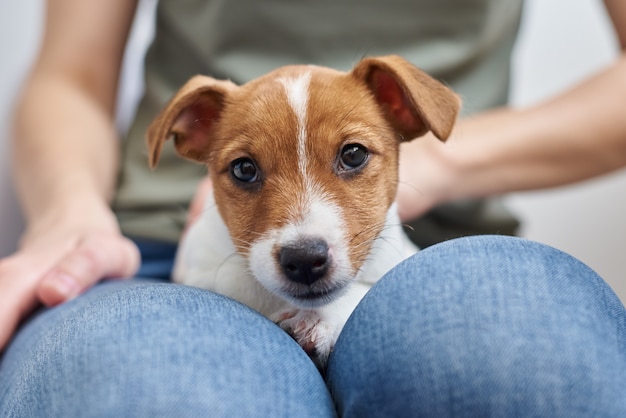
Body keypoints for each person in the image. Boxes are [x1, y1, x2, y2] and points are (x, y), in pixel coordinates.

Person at [1, 0, 625, 416]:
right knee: (166, 391)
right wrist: (68, 216)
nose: (300, 231)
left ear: (403, 114)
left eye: (352, 156)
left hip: (439, 250)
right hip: (154, 252)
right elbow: (69, 75)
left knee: (524, 361)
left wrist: (442, 166)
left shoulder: (398, 113)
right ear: (192, 136)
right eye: (245, 170)